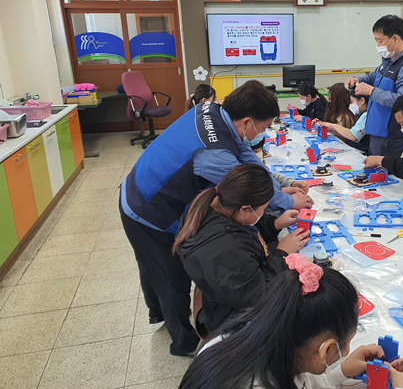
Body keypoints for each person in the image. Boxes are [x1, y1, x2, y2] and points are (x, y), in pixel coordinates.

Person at [119, 80, 313, 357]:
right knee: (170, 278)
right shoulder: (215, 153)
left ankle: (157, 312)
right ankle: (182, 343)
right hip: (148, 209)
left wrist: (281, 186)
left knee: (155, 268)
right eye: (264, 127)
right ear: (247, 122)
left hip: (142, 186)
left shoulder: (213, 110)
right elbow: (245, 182)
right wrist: (288, 201)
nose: (263, 132)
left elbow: (249, 162)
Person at [179, 255, 403, 389]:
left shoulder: (246, 333)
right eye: (344, 345)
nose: (346, 352)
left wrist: (340, 372)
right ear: (326, 349)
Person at [174, 164, 310, 335]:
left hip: (227, 293)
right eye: (262, 209)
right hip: (237, 319)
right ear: (245, 209)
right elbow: (258, 295)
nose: (263, 213)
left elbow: (246, 227)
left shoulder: (214, 205)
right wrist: (282, 254)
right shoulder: (226, 250)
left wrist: (275, 224)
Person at [345, 15, 403, 158]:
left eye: (380, 41)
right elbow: (374, 76)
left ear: (395, 38)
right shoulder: (389, 60)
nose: (378, 46)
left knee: (382, 176)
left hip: (390, 136)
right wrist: (357, 79)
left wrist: (372, 91)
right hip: (376, 130)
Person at [317, 86, 370, 154]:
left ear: (362, 100)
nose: (350, 105)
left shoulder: (366, 115)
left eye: (352, 101)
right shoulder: (362, 114)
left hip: (360, 152)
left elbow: (354, 136)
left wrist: (334, 126)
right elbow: (349, 134)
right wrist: (330, 130)